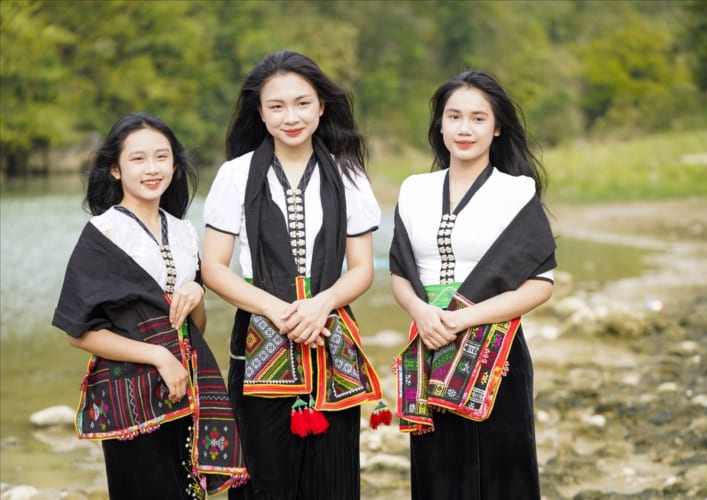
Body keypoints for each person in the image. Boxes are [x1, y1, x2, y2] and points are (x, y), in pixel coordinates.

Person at [201, 51, 384, 499]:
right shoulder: (235, 175)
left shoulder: (349, 174)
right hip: (259, 338)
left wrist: (320, 305)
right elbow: (213, 267)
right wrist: (280, 311)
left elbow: (361, 270)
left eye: (302, 103)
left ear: (321, 106)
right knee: (264, 481)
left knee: (333, 480)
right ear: (260, 113)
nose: (291, 117)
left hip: (330, 337)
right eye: (277, 106)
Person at [52, 112, 247, 499]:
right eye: (138, 159)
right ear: (115, 170)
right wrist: (158, 356)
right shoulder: (102, 233)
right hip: (130, 392)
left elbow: (196, 328)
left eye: (162, 157)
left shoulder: (183, 230)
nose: (152, 168)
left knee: (188, 491)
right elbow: (80, 333)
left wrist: (196, 295)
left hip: (185, 382)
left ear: (175, 164)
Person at [390, 71, 557, 499]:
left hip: (497, 353)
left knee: (503, 474)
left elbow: (539, 284)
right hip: (429, 344)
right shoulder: (413, 190)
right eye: (455, 116)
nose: (465, 128)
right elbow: (400, 274)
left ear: (497, 127)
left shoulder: (516, 191)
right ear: (440, 125)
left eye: (478, 118)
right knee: (437, 476)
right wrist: (422, 313)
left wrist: (463, 317)